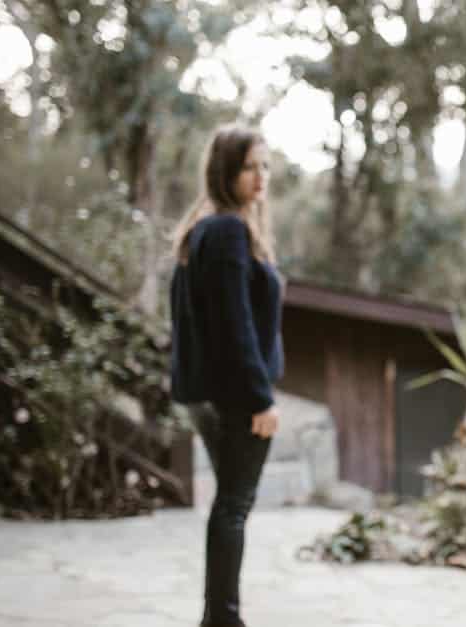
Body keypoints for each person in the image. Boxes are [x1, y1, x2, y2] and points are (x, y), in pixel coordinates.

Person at [169, 125, 284, 627]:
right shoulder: (228, 232)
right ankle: (223, 620)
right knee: (234, 505)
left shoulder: (204, 229)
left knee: (229, 502)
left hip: (209, 394)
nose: (261, 177)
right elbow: (234, 324)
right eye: (248, 167)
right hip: (234, 396)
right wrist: (260, 398)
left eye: (265, 166)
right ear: (225, 172)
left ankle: (217, 617)